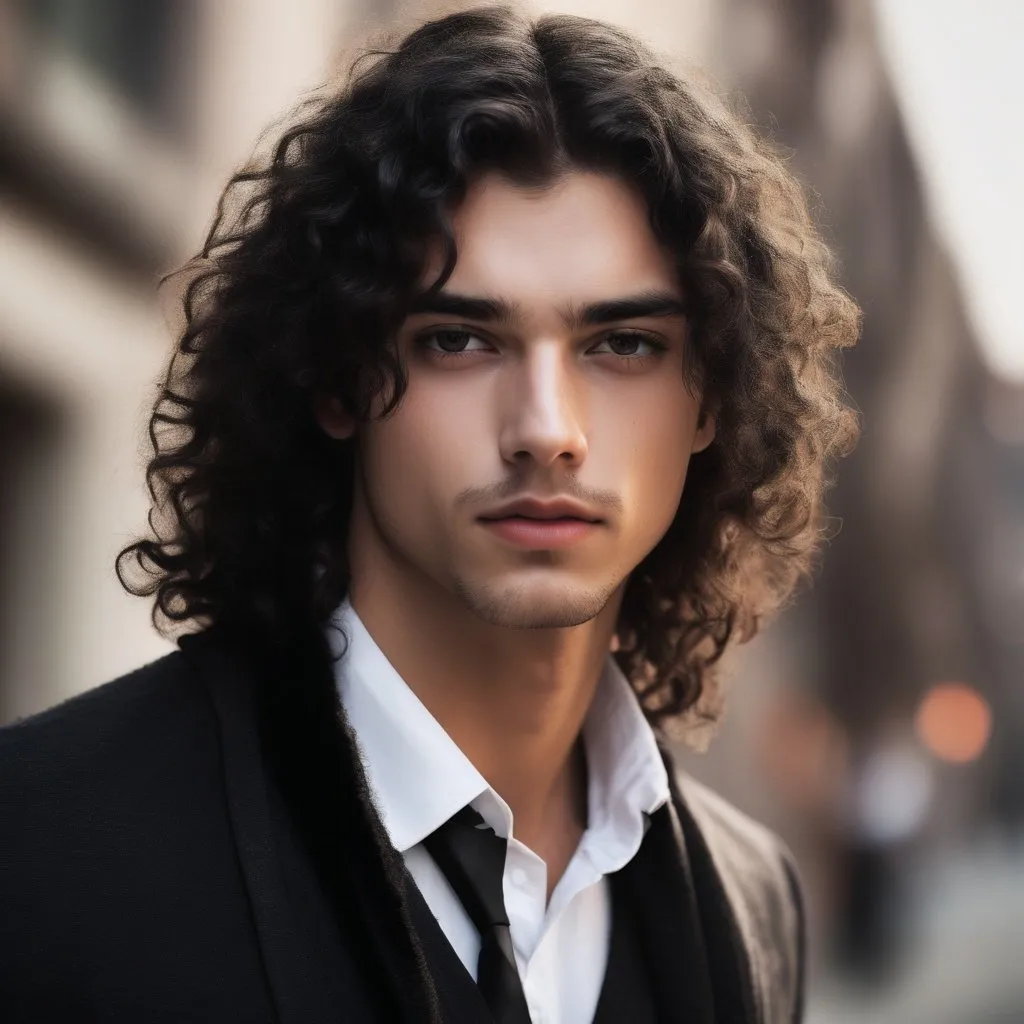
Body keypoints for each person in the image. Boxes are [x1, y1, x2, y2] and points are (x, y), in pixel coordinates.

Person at [0, 5, 860, 1022]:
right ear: (335, 378)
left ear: (711, 398)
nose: (547, 428)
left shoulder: (756, 904)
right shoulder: (39, 845)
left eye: (621, 343)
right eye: (458, 340)